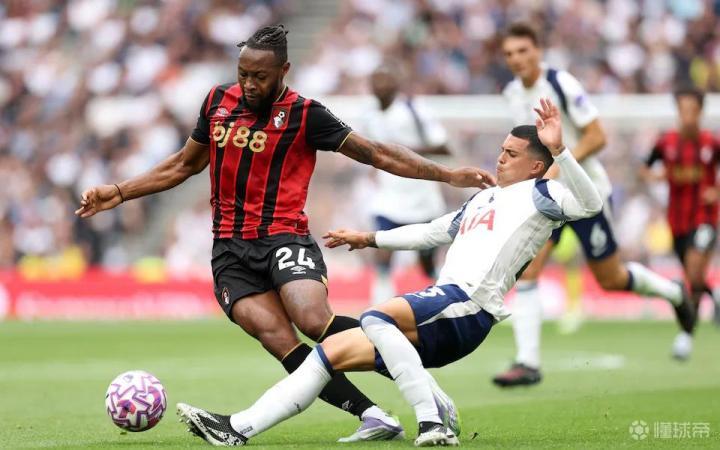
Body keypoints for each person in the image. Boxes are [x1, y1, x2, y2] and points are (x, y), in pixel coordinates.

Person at [74, 25, 494, 442]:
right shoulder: (217, 102)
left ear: (283, 71)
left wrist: (447, 175)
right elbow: (184, 164)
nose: (249, 84)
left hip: (284, 238)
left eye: (259, 76)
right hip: (229, 251)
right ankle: (372, 415)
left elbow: (377, 153)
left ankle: (425, 388)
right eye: (243, 74)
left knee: (313, 319)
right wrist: (119, 191)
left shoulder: (305, 114)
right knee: (278, 339)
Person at [174, 98, 603, 447]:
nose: (500, 158)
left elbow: (591, 204)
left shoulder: (544, 194)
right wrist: (369, 238)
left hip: (469, 304)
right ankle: (237, 429)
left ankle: (431, 421)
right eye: (501, 150)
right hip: (445, 309)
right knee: (329, 352)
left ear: (535, 165)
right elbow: (433, 231)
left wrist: (561, 152)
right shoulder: (483, 199)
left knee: (377, 316)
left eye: (511, 154)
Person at [493, 23, 697, 387]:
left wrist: (560, 162)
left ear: (538, 50)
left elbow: (598, 136)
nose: (516, 59)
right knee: (529, 269)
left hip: (585, 195)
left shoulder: (561, 84)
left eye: (523, 50)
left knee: (610, 278)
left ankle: (673, 292)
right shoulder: (511, 93)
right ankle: (528, 362)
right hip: (548, 198)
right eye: (509, 53)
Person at [361, 63, 451, 305]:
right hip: (388, 199)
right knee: (382, 253)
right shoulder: (369, 117)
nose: (380, 85)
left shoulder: (414, 110)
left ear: (397, 83)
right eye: (375, 80)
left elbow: (443, 147)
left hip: (422, 198)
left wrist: (401, 152)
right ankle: (380, 311)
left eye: (385, 79)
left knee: (426, 263)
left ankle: (446, 302)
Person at [641, 85, 720, 358]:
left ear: (700, 112)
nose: (687, 116)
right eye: (683, 110)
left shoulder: (711, 143)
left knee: (695, 274)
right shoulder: (666, 143)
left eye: (692, 110)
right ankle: (714, 294)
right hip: (676, 222)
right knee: (692, 278)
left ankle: (686, 335)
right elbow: (644, 167)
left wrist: (716, 191)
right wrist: (655, 177)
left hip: (705, 217)